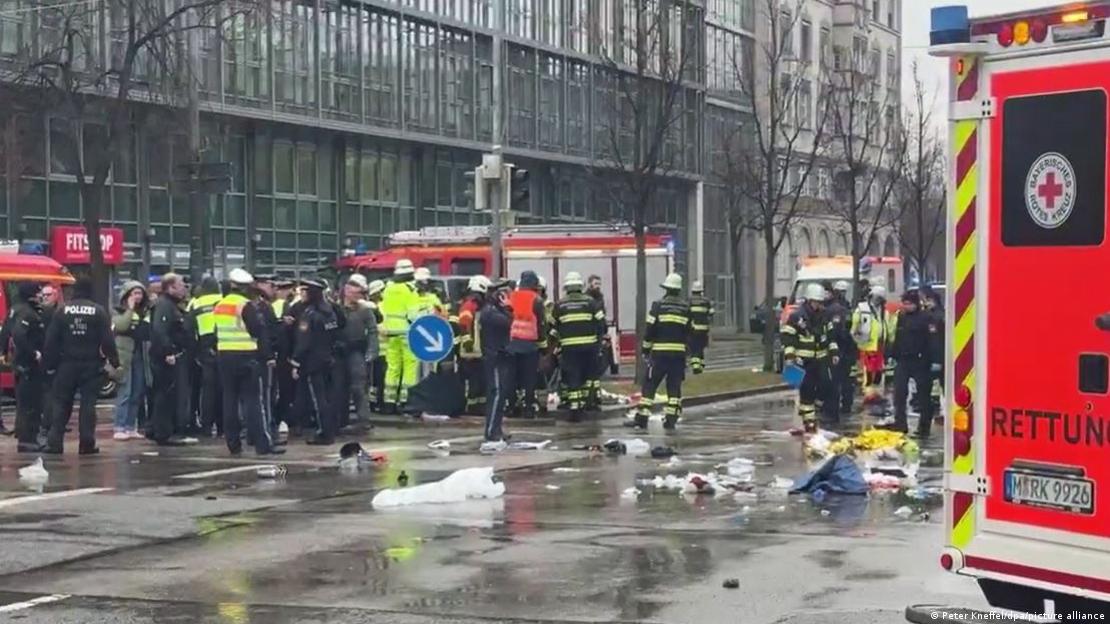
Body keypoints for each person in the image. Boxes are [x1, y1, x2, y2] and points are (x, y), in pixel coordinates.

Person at [43, 277, 120, 455]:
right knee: (88, 405)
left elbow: (51, 341)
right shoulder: (99, 311)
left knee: (61, 404)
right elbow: (107, 340)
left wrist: (49, 365)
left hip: (67, 364)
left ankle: (54, 442)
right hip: (91, 365)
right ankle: (87, 443)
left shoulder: (62, 311)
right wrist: (114, 361)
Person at [214, 269, 283, 456]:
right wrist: (268, 355)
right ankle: (262, 444)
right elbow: (257, 331)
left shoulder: (220, 305)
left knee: (229, 400)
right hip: (246, 356)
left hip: (224, 356)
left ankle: (233, 444)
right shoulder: (245, 305)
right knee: (253, 402)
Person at [635, 273, 694, 431]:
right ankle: (671, 419)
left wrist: (645, 349)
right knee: (674, 387)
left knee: (650, 385)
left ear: (667, 289)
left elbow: (650, 329)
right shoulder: (686, 308)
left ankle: (642, 419)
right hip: (678, 356)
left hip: (659, 355)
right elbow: (690, 332)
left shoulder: (658, 306)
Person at [782, 283, 839, 434]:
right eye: (817, 302)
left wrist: (833, 353)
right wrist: (790, 358)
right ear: (809, 301)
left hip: (820, 361)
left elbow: (830, 338)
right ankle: (809, 423)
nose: (819, 305)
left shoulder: (824, 317)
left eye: (821, 302)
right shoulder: (797, 317)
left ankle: (810, 416)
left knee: (824, 388)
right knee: (806, 393)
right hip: (802, 362)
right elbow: (788, 339)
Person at [552, 272, 606, 422]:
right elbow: (602, 324)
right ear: (580, 286)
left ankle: (575, 408)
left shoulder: (559, 304)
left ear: (567, 287)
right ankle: (589, 403)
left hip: (569, 349)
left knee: (573, 377)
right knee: (589, 376)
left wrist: (557, 344)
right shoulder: (591, 302)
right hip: (590, 348)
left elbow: (554, 329)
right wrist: (598, 340)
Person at [292, 278, 339, 445]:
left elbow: (304, 341)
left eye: (305, 291)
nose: (302, 294)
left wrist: (296, 361)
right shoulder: (330, 312)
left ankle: (324, 433)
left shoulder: (310, 314)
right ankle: (330, 429)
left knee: (318, 399)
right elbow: (335, 334)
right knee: (327, 397)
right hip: (328, 359)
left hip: (312, 362)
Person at [149, 273, 192, 447]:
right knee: (165, 395)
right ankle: (163, 433)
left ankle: (156, 429)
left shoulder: (172, 305)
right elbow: (160, 330)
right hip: (167, 358)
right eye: (181, 284)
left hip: (173, 355)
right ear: (171, 287)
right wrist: (168, 352)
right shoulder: (164, 306)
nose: (184, 288)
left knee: (166, 395)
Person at [888, 291, 936, 437]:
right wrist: (892, 354)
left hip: (921, 361)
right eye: (905, 303)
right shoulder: (902, 317)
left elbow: (933, 341)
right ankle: (900, 424)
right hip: (903, 360)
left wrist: (934, 360)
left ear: (916, 304)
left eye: (909, 303)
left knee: (923, 396)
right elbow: (898, 336)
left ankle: (924, 428)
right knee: (899, 393)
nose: (906, 306)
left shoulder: (927, 318)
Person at [10, 282, 47, 452]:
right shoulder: (27, 313)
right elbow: (19, 335)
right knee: (31, 404)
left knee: (24, 403)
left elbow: (6, 334)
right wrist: (34, 353)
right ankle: (28, 440)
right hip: (29, 366)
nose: (41, 296)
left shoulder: (15, 309)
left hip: (20, 364)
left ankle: (25, 437)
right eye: (38, 293)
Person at [112, 281, 151, 442]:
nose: (138, 297)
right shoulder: (118, 311)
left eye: (140, 293)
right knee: (125, 392)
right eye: (134, 293)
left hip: (140, 355)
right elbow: (121, 326)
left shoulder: (145, 312)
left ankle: (130, 426)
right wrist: (130, 309)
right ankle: (119, 426)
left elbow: (147, 331)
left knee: (137, 392)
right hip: (125, 356)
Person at [479, 279, 514, 452]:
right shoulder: (490, 312)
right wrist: (508, 307)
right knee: (497, 394)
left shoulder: (493, 311)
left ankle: (496, 429)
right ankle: (492, 431)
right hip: (494, 357)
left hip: (500, 356)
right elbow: (508, 322)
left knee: (500, 395)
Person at [506, 271, 547, 419]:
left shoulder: (511, 298)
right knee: (529, 379)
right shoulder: (537, 300)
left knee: (511, 377)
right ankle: (528, 408)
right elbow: (542, 324)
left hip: (512, 344)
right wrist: (543, 347)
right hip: (530, 345)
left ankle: (511, 406)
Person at [380, 260, 419, 411]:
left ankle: (389, 402)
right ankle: (405, 400)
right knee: (409, 366)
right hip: (406, 331)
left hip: (390, 331)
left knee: (393, 367)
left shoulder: (388, 289)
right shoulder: (410, 289)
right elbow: (413, 314)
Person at [187, 277, 223, 437]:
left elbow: (188, 328)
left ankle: (207, 425)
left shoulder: (196, 303)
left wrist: (195, 351)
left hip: (204, 347)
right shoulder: (223, 300)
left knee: (208, 390)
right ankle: (222, 426)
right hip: (223, 345)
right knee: (224, 390)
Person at [340, 274, 375, 426]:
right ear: (346, 291)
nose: (357, 296)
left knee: (359, 386)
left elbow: (372, 331)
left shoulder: (364, 310)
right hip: (339, 352)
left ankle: (363, 419)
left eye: (359, 293)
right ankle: (341, 419)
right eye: (355, 293)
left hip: (356, 351)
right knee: (339, 387)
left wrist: (372, 351)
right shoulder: (336, 308)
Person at [852, 284, 891, 411]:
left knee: (879, 370)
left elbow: (887, 325)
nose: (878, 300)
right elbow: (855, 327)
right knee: (868, 371)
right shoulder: (862, 308)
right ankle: (869, 394)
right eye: (876, 297)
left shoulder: (884, 310)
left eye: (880, 298)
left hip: (880, 344)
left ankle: (877, 394)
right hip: (867, 344)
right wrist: (859, 340)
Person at [824, 280, 856, 423]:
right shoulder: (844, 307)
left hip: (839, 349)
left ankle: (834, 410)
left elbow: (838, 331)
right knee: (845, 380)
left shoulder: (835, 309)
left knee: (836, 380)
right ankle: (844, 405)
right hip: (845, 349)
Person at [456, 275, 489, 415]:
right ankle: (472, 407)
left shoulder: (477, 305)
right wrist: (468, 340)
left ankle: (480, 406)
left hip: (478, 350)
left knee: (481, 380)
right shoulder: (470, 304)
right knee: (474, 380)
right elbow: (464, 323)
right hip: (470, 351)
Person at [585, 274, 608, 409]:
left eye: (599, 284)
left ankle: (595, 396)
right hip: (589, 337)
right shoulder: (588, 299)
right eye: (595, 283)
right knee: (589, 370)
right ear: (589, 284)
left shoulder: (600, 298)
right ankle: (589, 398)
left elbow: (602, 318)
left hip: (597, 337)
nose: (598, 286)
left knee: (596, 369)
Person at [365, 279, 386, 412]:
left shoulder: (378, 306)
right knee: (374, 378)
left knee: (378, 379)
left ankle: (375, 401)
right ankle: (373, 403)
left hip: (383, 349)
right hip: (377, 349)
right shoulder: (372, 308)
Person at [688, 281, 715, 375]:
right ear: (701, 291)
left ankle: (696, 366)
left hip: (693, 329)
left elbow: (686, 314)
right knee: (701, 347)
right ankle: (701, 365)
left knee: (694, 348)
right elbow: (711, 313)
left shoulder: (689, 301)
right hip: (704, 329)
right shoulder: (706, 301)